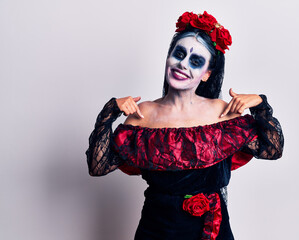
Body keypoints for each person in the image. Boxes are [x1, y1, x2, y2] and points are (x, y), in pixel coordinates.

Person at [86, 11, 284, 240]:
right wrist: (110, 112)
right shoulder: (143, 115)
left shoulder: (222, 112)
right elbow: (98, 167)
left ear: (207, 74)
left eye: (196, 60)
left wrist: (260, 105)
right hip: (155, 231)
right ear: (168, 57)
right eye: (178, 54)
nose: (182, 64)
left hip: (212, 230)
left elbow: (272, 151)